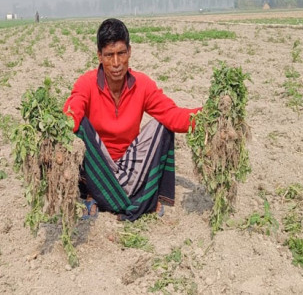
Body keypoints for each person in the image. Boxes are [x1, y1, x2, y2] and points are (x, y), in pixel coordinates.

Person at [63, 18, 200, 222]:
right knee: (80, 126)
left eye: (121, 53)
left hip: (129, 164)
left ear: (130, 52)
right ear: (99, 56)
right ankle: (125, 197)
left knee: (163, 126)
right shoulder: (87, 83)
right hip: (98, 166)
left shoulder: (142, 85)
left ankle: (107, 198)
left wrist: (207, 117)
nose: (116, 63)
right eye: (109, 55)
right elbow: (72, 111)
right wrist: (59, 128)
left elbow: (173, 114)